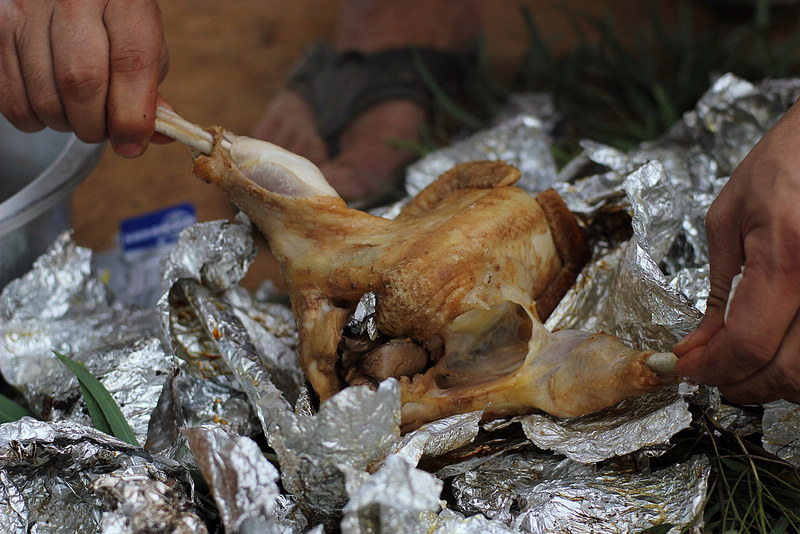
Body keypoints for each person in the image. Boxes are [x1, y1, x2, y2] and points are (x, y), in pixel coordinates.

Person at [2, 0, 799, 406]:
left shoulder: (334, 264)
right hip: (463, 250)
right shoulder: (331, 259)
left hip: (471, 265)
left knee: (518, 376)